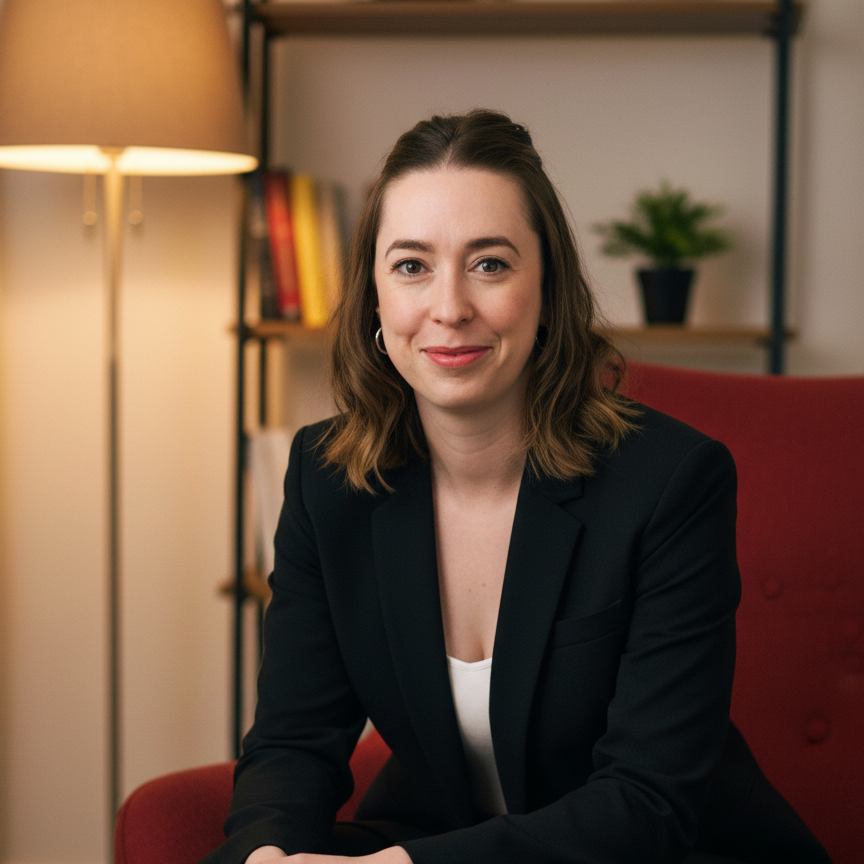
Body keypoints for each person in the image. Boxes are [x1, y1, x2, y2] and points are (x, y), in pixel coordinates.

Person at [204, 110, 830, 864]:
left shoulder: (670, 483)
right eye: (411, 266)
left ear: (548, 289)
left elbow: (645, 800)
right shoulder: (328, 478)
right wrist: (266, 855)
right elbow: (293, 743)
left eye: (490, 264)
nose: (449, 307)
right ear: (374, 298)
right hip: (438, 841)